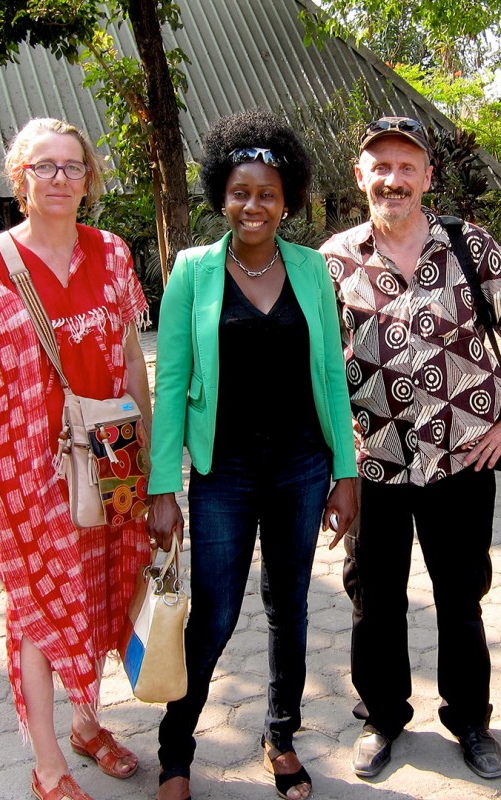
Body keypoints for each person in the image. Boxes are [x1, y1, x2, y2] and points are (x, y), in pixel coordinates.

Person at [146, 107, 358, 800]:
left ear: (288, 197)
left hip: (301, 466)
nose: (253, 205)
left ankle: (281, 736)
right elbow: (172, 381)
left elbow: (330, 373)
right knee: (213, 612)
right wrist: (160, 488)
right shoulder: (193, 271)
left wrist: (345, 474)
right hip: (224, 473)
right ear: (221, 195)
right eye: (241, 191)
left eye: (268, 192)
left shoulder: (310, 269)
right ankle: (176, 751)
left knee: (290, 605)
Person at [0, 118, 152, 800]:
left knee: (97, 588)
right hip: (20, 469)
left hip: (109, 449)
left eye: (73, 167)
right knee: (41, 609)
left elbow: (131, 359)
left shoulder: (114, 254)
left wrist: (147, 465)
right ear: (20, 180)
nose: (62, 179)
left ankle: (87, 725)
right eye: (45, 167)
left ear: (89, 178)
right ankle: (48, 767)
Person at [320, 115, 501, 781]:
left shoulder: (470, 246)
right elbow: (317, 369)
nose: (392, 178)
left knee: (461, 595)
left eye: (406, 166)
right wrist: (331, 460)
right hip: (376, 462)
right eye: (380, 165)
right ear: (360, 175)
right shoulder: (332, 262)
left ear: (427, 176)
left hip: (463, 457)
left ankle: (471, 720)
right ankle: (383, 717)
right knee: (376, 598)